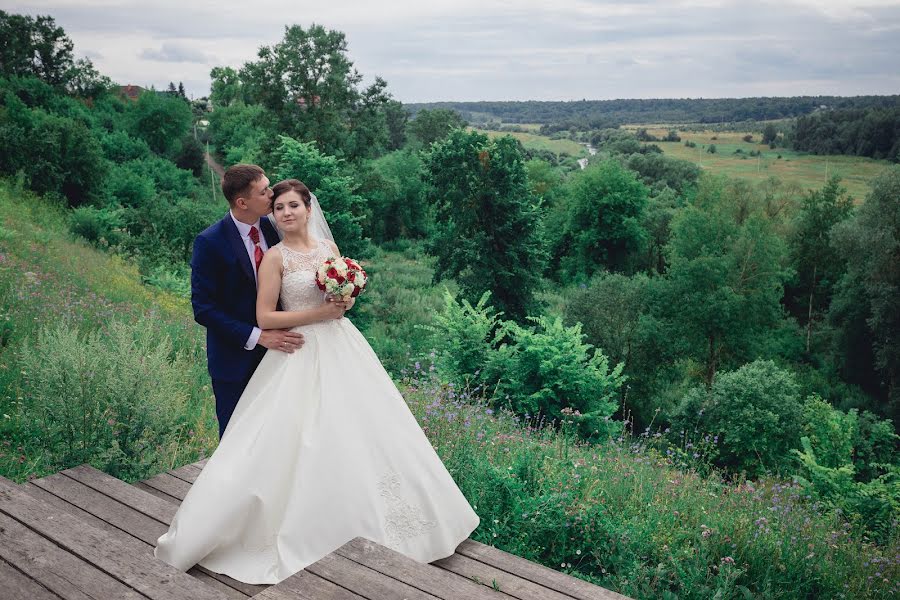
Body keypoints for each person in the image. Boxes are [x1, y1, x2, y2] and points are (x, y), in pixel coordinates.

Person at [154, 178, 480, 584]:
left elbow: (343, 301)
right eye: (279, 207)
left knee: (362, 431)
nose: (285, 212)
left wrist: (345, 300)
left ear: (309, 209)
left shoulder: (329, 250)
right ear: (267, 211)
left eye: (293, 205)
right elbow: (264, 317)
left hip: (342, 349)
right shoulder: (273, 257)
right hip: (297, 352)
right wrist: (318, 316)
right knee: (283, 439)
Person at [190, 165, 304, 438]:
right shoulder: (210, 242)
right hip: (234, 361)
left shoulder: (275, 226)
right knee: (236, 440)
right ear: (242, 203)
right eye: (264, 191)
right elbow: (203, 309)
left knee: (279, 437)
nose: (272, 193)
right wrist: (258, 336)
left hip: (282, 357)